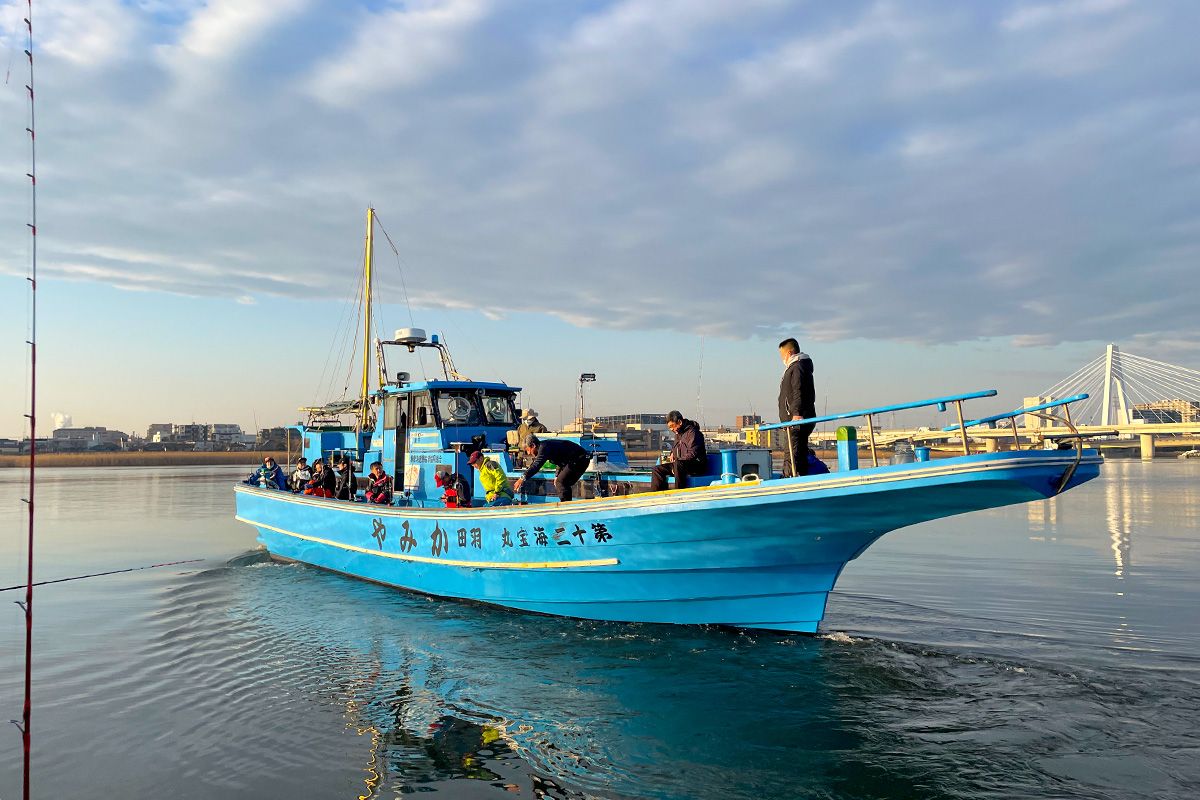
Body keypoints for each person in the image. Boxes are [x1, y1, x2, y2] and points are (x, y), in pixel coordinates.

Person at [777, 337, 816, 477]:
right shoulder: (797, 367)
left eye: (782, 355)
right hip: (793, 418)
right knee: (798, 451)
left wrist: (796, 413)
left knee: (791, 452)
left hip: (796, 419)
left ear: (789, 353)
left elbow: (797, 390)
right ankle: (800, 476)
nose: (782, 359)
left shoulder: (797, 367)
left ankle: (788, 479)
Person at [513, 434, 590, 502]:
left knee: (561, 482)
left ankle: (566, 505)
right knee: (561, 482)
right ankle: (567, 503)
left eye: (528, 450)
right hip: (576, 459)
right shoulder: (545, 446)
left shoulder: (544, 448)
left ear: (533, 445)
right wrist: (557, 475)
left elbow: (536, 465)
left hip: (580, 459)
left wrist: (522, 479)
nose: (529, 453)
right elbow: (560, 460)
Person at [649, 410, 708, 491]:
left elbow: (692, 454)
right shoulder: (678, 434)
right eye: (669, 427)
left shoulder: (693, 433)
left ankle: (679, 492)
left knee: (678, 465)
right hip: (680, 464)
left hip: (696, 465)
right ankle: (656, 495)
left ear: (679, 422)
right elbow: (675, 447)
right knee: (657, 469)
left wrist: (677, 463)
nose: (672, 429)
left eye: (673, 426)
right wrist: (672, 453)